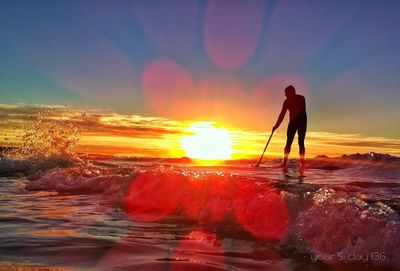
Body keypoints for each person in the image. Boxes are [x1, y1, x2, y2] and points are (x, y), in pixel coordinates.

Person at [272, 85, 307, 168]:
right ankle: (284, 163)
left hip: (302, 122)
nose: (285, 95)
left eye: (286, 94)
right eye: (285, 94)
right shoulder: (286, 102)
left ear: (292, 92)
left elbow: (299, 109)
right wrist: (276, 126)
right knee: (288, 143)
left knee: (301, 142)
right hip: (292, 123)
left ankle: (302, 164)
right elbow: (282, 115)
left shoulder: (301, 98)